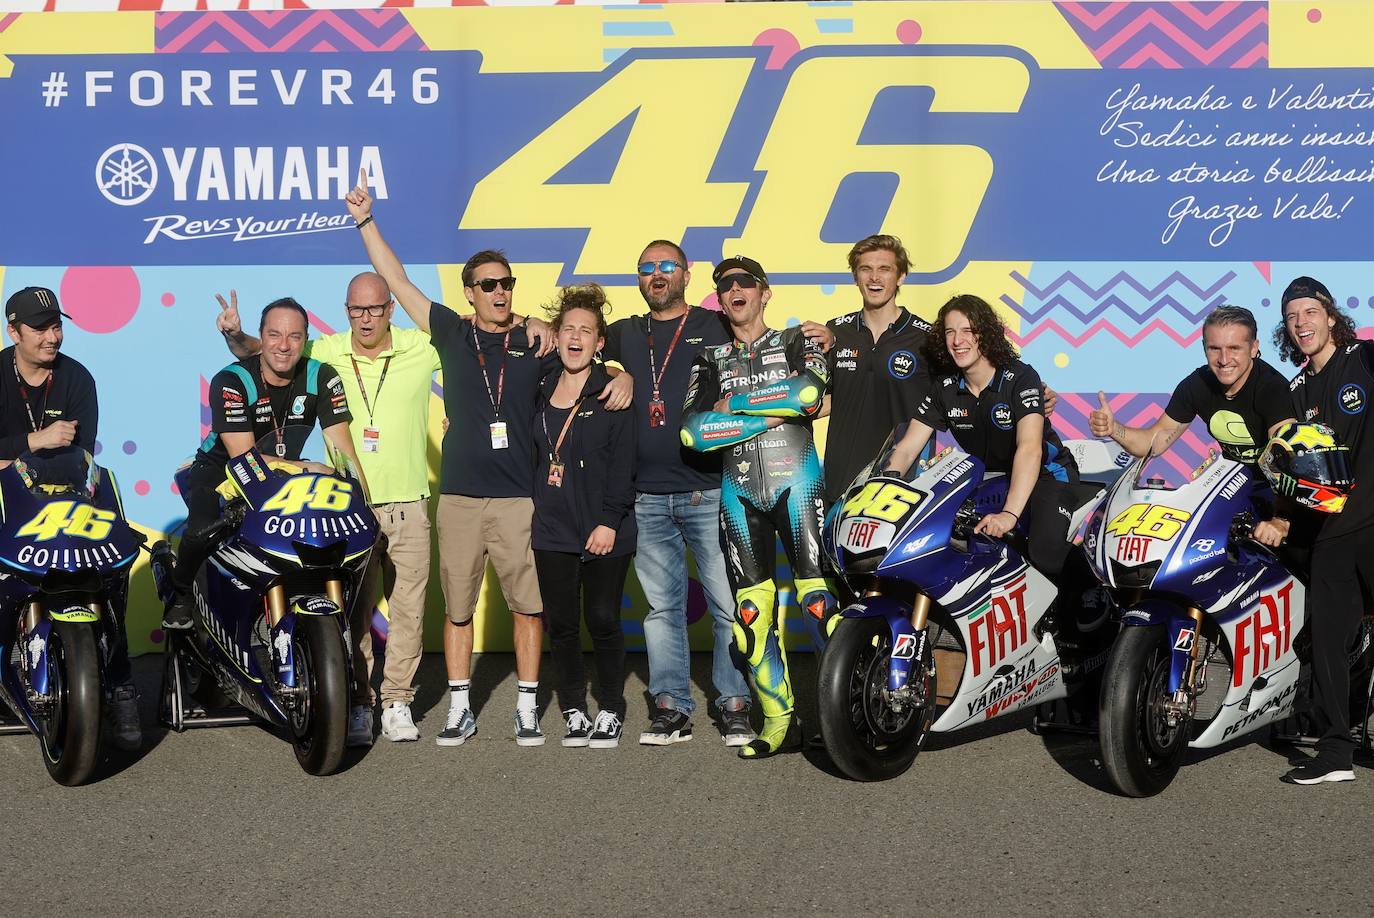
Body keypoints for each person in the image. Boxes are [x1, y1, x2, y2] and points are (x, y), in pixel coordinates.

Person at [346, 172, 577, 748]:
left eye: (507, 284)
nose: (500, 293)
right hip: (458, 499)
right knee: (456, 609)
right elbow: (395, 281)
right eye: (488, 285)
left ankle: (527, 707)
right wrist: (365, 221)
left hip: (518, 496)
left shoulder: (535, 342)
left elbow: (581, 360)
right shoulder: (449, 330)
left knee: (528, 605)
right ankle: (459, 707)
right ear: (469, 292)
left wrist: (612, 381)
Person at [214, 274, 441, 748]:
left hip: (402, 503)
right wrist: (235, 335)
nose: (365, 317)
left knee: (407, 611)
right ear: (345, 311)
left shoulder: (417, 347)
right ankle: (357, 701)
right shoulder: (326, 352)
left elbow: (477, 346)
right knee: (351, 611)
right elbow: (271, 351)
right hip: (317, 497)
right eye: (356, 309)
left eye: (375, 309)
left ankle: (397, 702)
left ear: (389, 309)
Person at [680, 255, 838, 759]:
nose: (733, 292)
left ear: (764, 292)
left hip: (799, 487)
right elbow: (694, 431)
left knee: (820, 602)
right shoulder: (708, 358)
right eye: (724, 287)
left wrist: (738, 408)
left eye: (743, 284)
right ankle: (778, 721)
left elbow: (810, 394)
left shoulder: (798, 340)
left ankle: (839, 716)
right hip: (738, 493)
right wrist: (774, 412)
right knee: (751, 613)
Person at [597, 240, 753, 746]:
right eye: (647, 268)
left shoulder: (713, 327)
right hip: (646, 496)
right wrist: (609, 369)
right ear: (639, 279)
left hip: (707, 490)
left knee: (727, 605)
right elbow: (565, 342)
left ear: (687, 275)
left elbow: (766, 342)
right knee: (662, 609)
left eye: (667, 267)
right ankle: (671, 706)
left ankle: (734, 703)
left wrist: (823, 334)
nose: (657, 275)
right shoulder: (622, 333)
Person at [164, 298, 366, 636]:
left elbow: (343, 450)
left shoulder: (323, 377)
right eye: (274, 335)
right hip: (220, 469)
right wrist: (305, 469)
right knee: (202, 530)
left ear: (306, 339)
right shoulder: (231, 380)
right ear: (261, 337)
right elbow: (243, 456)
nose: (284, 346)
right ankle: (180, 594)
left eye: (295, 336)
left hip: (287, 475)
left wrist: (362, 501)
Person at [0, 286, 139, 751]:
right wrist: (34, 442)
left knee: (115, 562)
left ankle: (119, 682)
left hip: (66, 493)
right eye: (40, 328)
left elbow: (79, 460)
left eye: (57, 325)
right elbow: (44, 450)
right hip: (8, 497)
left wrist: (16, 454)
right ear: (13, 330)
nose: (52, 336)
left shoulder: (77, 377)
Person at [883, 294, 1079, 579]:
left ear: (985, 334)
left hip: (1048, 476)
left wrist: (1009, 514)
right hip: (992, 479)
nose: (957, 340)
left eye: (967, 331)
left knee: (1044, 552)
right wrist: (886, 490)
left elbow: (1029, 449)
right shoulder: (945, 387)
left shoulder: (1020, 377)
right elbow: (907, 448)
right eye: (950, 332)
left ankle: (1094, 597)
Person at [1090, 305, 1296, 549]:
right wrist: (1114, 429)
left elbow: (1288, 462)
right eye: (1214, 349)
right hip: (1236, 488)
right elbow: (1154, 443)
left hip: (1281, 496)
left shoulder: (1272, 389)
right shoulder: (1197, 385)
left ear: (1253, 348)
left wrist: (1283, 520)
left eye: (1234, 348)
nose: (1223, 359)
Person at [1275, 275, 1372, 785]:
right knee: (1330, 642)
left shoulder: (1366, 360)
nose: (1301, 323)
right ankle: (1336, 754)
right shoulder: (1297, 390)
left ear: (1331, 316)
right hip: (1331, 531)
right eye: (1292, 317)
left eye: (1310, 312)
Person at [532, 285, 637, 749]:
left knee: (602, 619)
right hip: (552, 529)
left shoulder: (612, 390)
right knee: (563, 624)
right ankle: (574, 708)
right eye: (568, 329)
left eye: (586, 331)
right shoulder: (537, 384)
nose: (576, 338)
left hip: (603, 529)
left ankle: (611, 707)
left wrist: (609, 521)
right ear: (556, 337)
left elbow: (624, 463)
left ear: (599, 342)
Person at [822, 235, 936, 505]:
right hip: (841, 480)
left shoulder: (927, 339)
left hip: (903, 479)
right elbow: (823, 401)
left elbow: (964, 389)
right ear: (855, 276)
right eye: (866, 269)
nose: (875, 278)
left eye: (884, 269)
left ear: (901, 277)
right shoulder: (836, 331)